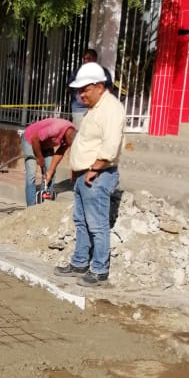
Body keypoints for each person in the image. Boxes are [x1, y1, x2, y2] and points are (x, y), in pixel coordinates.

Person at [55, 61, 125, 285]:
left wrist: (94, 168)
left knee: (97, 224)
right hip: (84, 175)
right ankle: (80, 262)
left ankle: (99, 269)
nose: (81, 95)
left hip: (98, 175)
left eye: (85, 90)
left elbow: (111, 144)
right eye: (79, 90)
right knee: (82, 222)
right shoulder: (95, 108)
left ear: (99, 87)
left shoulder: (111, 108)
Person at [19, 117, 75, 206]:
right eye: (68, 144)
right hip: (30, 139)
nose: (68, 145)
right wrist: (40, 158)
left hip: (46, 143)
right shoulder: (55, 128)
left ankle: (45, 205)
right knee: (31, 174)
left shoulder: (72, 134)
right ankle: (31, 207)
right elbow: (35, 139)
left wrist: (51, 171)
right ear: (68, 137)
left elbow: (60, 153)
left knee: (50, 173)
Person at [71, 48, 114, 130]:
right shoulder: (78, 72)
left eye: (88, 58)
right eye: (84, 58)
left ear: (95, 59)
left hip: (97, 108)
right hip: (79, 108)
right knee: (78, 133)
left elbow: (109, 89)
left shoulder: (103, 72)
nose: (86, 61)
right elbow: (70, 87)